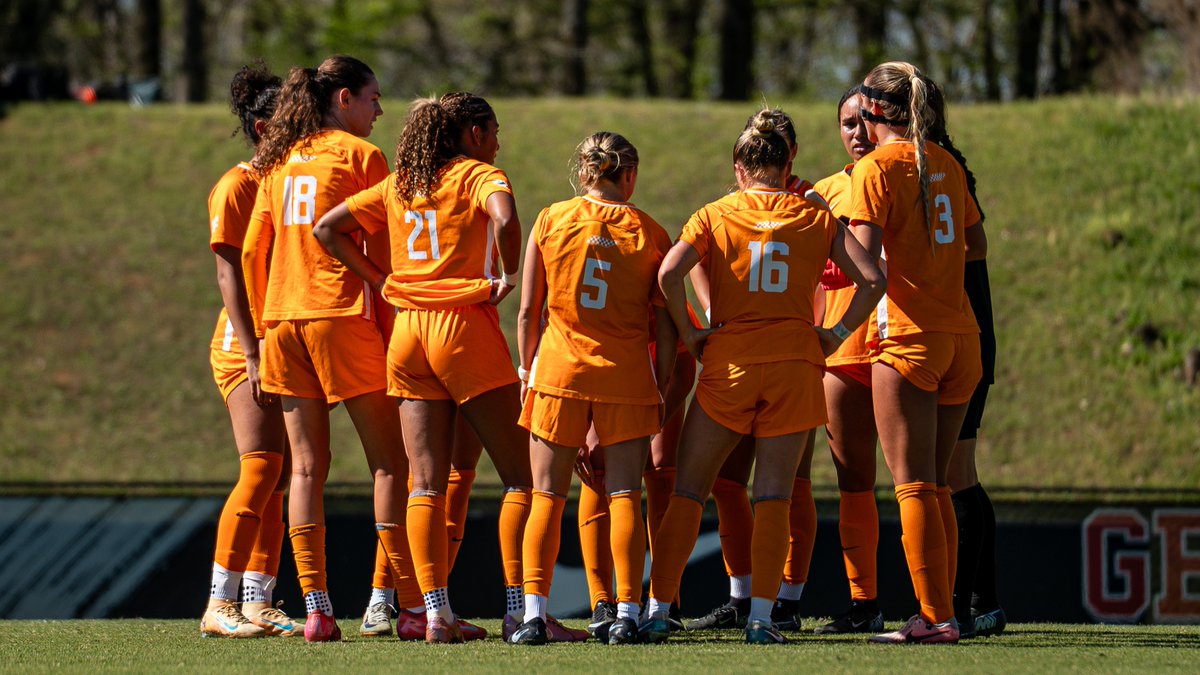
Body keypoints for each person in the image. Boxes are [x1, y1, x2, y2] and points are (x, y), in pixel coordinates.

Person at [644, 109, 886, 645]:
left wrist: (691, 333)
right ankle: (760, 619)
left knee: (688, 492)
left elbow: (668, 274)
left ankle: (658, 608)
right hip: (795, 365)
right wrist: (836, 333)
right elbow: (872, 278)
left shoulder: (714, 213)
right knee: (774, 496)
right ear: (786, 163)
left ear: (739, 166)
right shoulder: (813, 215)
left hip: (729, 363)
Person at [312, 92, 532, 644]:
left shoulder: (400, 183)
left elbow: (327, 228)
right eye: (494, 129)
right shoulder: (480, 175)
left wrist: (379, 278)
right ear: (473, 135)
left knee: (424, 485)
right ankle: (519, 611)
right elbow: (504, 218)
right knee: (525, 479)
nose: (499, 140)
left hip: (408, 333)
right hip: (463, 326)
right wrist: (506, 277)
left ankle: (433, 613)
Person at [241, 54, 414, 643]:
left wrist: (260, 337)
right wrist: (388, 303)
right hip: (340, 315)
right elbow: (383, 247)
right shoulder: (364, 157)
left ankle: (316, 609)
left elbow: (249, 255)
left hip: (282, 321)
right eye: (372, 98)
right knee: (392, 462)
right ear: (344, 100)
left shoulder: (279, 161)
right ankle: (402, 605)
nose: (379, 109)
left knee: (307, 469)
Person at [510, 132, 676, 645]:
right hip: (624, 375)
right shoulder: (650, 231)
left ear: (585, 172)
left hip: (558, 370)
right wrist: (662, 384)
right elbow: (666, 325)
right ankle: (627, 611)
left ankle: (533, 616)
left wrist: (525, 370)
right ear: (628, 174)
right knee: (625, 494)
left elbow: (527, 311)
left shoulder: (550, 219)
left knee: (547, 496)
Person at [849, 61, 987, 644]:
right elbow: (975, 240)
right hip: (962, 337)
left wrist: (827, 240)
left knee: (912, 486)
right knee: (935, 486)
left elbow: (864, 265)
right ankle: (944, 612)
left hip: (907, 340)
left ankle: (936, 620)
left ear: (876, 112)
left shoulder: (877, 167)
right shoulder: (947, 163)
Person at [683, 110, 821, 634]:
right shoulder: (736, 205)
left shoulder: (808, 203)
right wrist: (714, 310)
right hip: (751, 354)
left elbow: (838, 272)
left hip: (785, 354)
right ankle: (746, 597)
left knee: (791, 484)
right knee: (728, 480)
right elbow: (695, 262)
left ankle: (788, 595)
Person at [201, 63, 299, 639]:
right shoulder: (238, 184)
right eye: (291, 124)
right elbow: (227, 275)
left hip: (280, 340)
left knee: (280, 475)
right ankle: (219, 602)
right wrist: (256, 350)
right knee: (261, 466)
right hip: (245, 343)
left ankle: (259, 599)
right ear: (264, 127)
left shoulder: (287, 179)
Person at [927, 83, 1006, 639]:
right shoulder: (941, 164)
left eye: (869, 116)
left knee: (953, 475)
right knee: (954, 474)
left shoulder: (933, 167)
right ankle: (978, 602)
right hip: (960, 333)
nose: (859, 130)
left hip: (958, 333)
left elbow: (972, 245)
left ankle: (966, 604)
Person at [810, 84, 886, 635]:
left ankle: (948, 605)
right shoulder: (824, 192)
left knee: (921, 482)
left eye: (866, 121)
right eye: (847, 123)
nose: (857, 133)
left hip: (901, 344)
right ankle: (865, 603)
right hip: (842, 351)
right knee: (853, 480)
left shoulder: (907, 175)